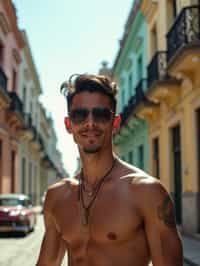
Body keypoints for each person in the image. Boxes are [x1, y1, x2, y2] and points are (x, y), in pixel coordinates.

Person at [36, 74, 183, 266]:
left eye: (100, 114)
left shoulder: (147, 193)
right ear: (68, 124)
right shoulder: (57, 196)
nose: (90, 123)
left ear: (115, 123)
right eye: (80, 115)